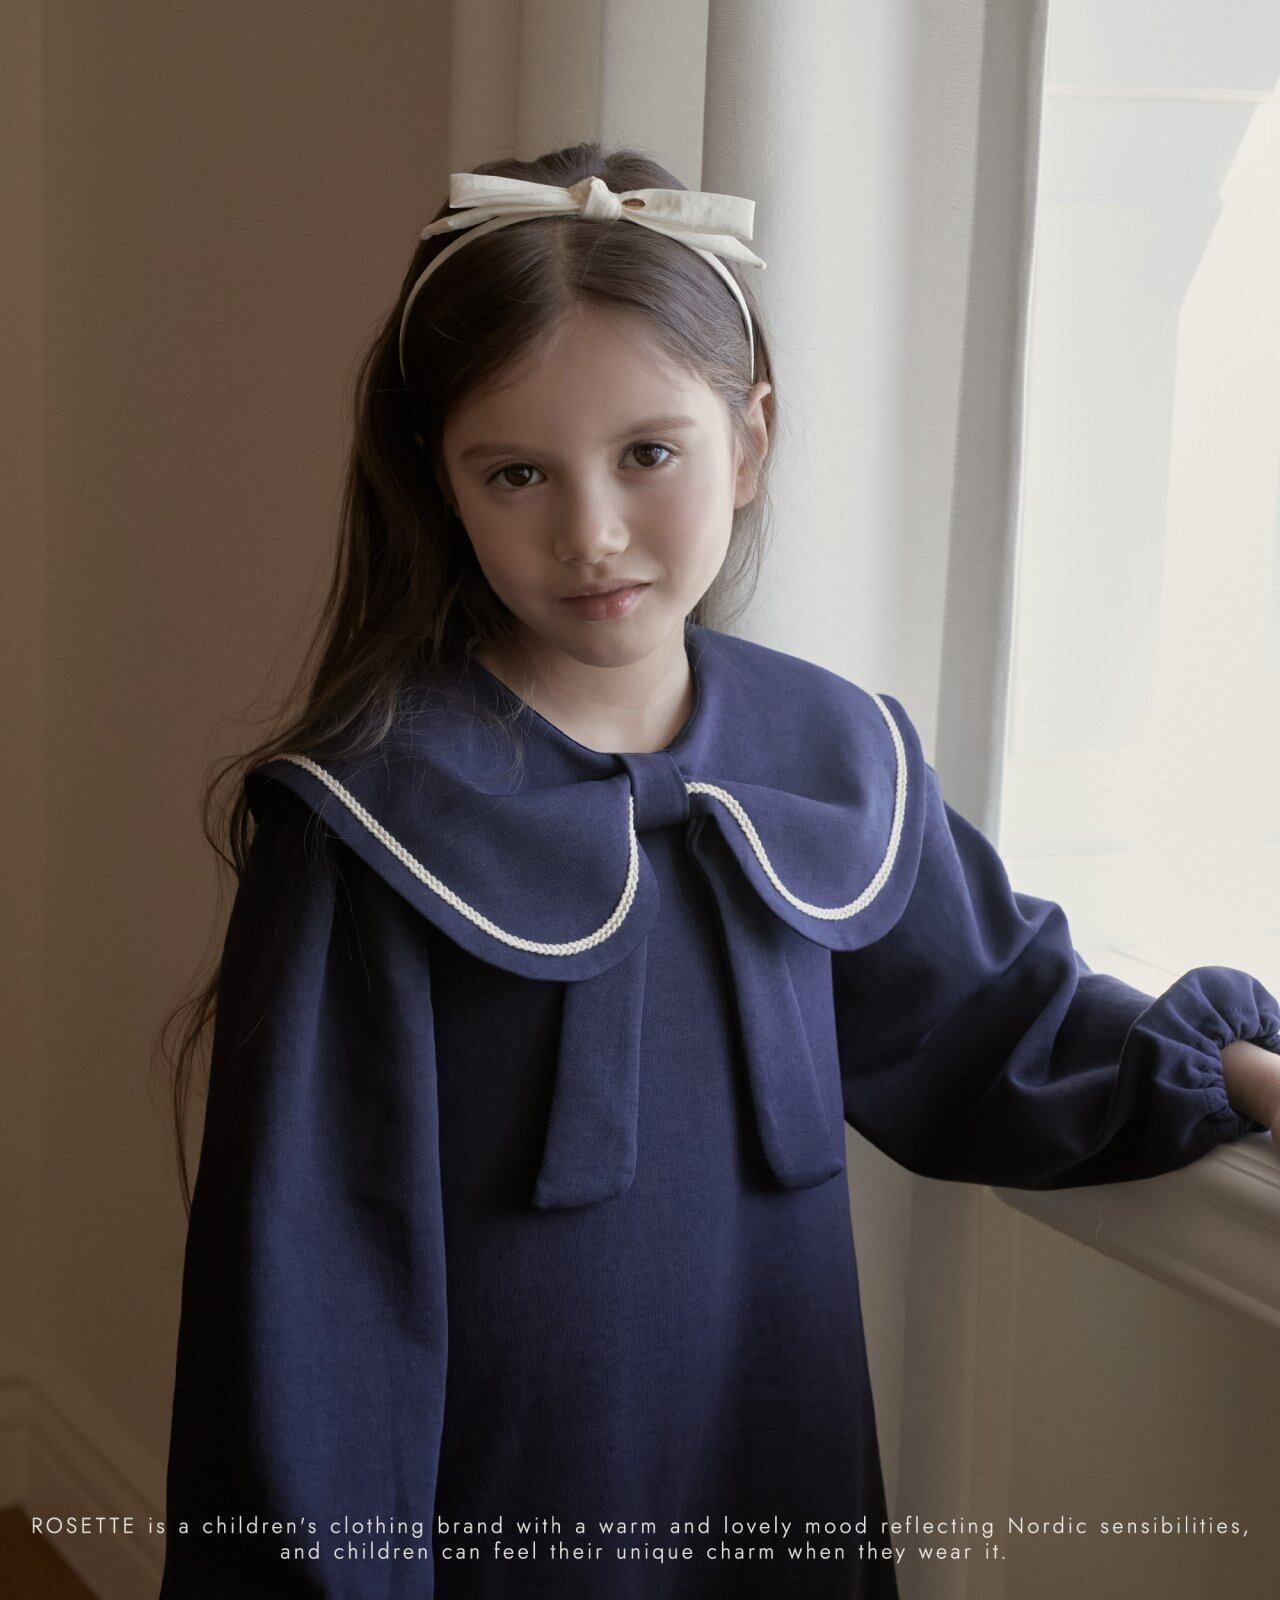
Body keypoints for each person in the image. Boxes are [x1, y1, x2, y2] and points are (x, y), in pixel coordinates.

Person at [155, 141, 1280, 1600]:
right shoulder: (375, 818)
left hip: (774, 1454)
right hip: (510, 1505)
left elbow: (993, 1022)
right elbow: (315, 1304)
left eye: (650, 454)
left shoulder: (833, 752)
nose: (592, 533)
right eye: (517, 473)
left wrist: (1236, 1073)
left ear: (747, 443)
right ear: (442, 482)